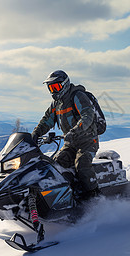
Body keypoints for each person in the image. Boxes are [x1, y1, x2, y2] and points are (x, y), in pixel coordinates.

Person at [31, 70, 100, 200]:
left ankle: (94, 197)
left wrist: (74, 131)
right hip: (70, 143)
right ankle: (66, 196)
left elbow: (87, 116)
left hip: (87, 141)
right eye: (51, 88)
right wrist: (35, 133)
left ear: (65, 84)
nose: (53, 91)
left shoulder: (77, 96)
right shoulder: (56, 104)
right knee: (55, 166)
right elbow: (47, 120)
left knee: (82, 164)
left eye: (56, 87)